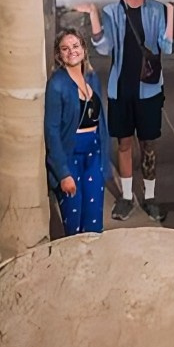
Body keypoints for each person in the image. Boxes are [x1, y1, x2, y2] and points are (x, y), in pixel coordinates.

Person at [75, 0, 174, 222]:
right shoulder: (113, 11)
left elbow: (168, 47)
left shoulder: (157, 10)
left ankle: (150, 198)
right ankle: (126, 198)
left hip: (149, 90)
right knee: (124, 144)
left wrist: (171, 12)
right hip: (121, 89)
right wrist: (93, 14)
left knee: (148, 145)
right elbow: (104, 47)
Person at [45, 28, 112, 236]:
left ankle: (91, 257)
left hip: (94, 154)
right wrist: (63, 174)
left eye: (75, 46)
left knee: (93, 221)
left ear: (83, 48)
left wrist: (104, 160)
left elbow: (101, 122)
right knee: (73, 221)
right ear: (59, 55)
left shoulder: (91, 78)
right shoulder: (56, 84)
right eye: (65, 48)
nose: (71, 51)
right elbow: (52, 131)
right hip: (70, 155)